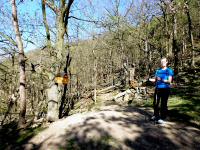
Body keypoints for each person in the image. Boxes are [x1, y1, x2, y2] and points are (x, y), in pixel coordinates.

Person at [149, 58, 174, 124]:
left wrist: (162, 79)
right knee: (156, 103)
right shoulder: (158, 71)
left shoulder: (169, 71)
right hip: (157, 88)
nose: (162, 63)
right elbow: (156, 80)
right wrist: (150, 80)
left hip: (165, 89)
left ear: (166, 62)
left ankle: (162, 118)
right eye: (161, 62)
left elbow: (169, 81)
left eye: (163, 61)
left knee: (163, 104)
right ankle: (155, 115)